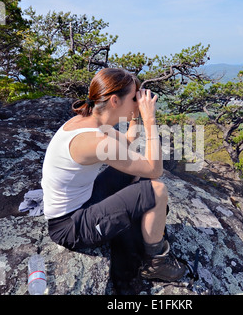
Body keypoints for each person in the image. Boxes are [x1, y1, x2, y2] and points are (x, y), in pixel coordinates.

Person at [41, 68, 186, 283]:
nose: (137, 102)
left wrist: (135, 118)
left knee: (139, 175)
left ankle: (143, 230)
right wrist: (150, 119)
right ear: (115, 101)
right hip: (70, 226)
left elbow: (127, 143)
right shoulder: (95, 140)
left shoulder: (89, 123)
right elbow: (156, 169)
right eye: (133, 97)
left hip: (84, 202)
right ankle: (155, 264)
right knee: (157, 190)